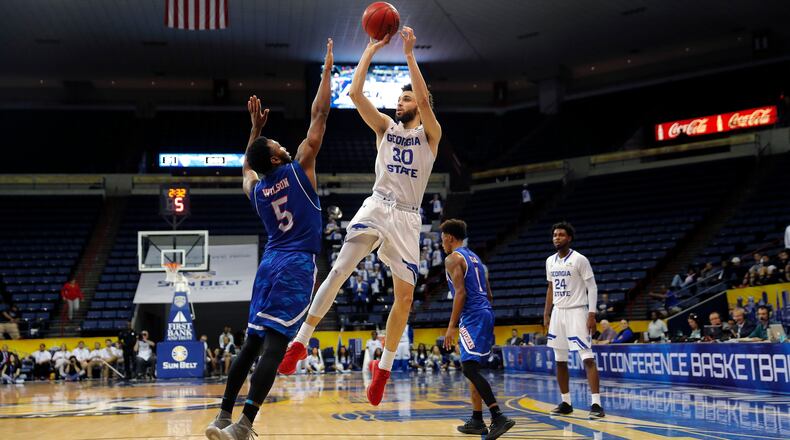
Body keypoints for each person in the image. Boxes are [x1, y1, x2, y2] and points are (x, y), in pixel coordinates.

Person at [279, 27, 442, 408]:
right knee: (340, 268)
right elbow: (353, 94)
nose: (400, 103)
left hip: (407, 219)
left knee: (404, 298)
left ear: (420, 103)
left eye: (406, 99)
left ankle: (383, 371)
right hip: (378, 204)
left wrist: (409, 54)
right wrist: (369, 50)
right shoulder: (385, 127)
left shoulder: (431, 134)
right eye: (400, 99)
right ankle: (301, 341)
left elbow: (422, 97)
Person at [204, 39, 334, 440]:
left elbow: (247, 169)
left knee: (251, 343)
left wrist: (254, 131)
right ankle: (245, 425)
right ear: (278, 158)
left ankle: (222, 418)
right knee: (277, 344)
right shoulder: (299, 168)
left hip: (268, 264)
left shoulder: (259, 191)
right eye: (276, 143)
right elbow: (320, 113)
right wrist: (327, 72)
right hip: (295, 263)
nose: (281, 142)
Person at [441, 219, 515, 438]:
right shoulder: (476, 259)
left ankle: (498, 416)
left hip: (472, 316)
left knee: (469, 369)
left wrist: (451, 326)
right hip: (485, 312)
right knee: (471, 367)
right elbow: (489, 294)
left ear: (449, 238)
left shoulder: (452, 258)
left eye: (442, 237)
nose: (442, 242)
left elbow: (461, 293)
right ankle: (476, 419)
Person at [542, 222, 604, 419]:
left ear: (569, 238)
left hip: (578, 311)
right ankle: (566, 402)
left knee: (587, 358)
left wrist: (592, 314)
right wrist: (546, 313)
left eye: (561, 234)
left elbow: (592, 287)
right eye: (554, 235)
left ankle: (596, 404)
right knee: (560, 361)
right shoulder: (550, 261)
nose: (557, 237)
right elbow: (550, 288)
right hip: (558, 313)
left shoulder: (579, 259)